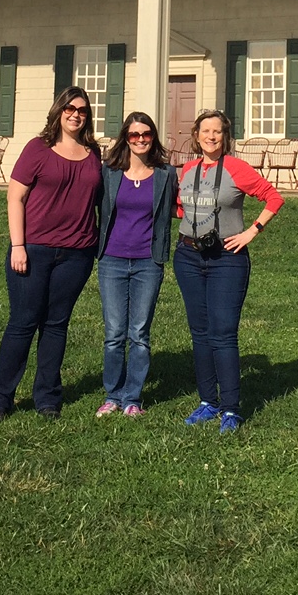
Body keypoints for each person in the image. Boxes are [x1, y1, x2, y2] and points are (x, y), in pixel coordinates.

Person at [0, 87, 103, 421]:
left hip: (77, 253)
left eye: (82, 110)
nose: (76, 114)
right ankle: (0, 397)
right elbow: (15, 198)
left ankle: (47, 397)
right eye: (70, 108)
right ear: (58, 111)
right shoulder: (38, 148)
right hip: (33, 249)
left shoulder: (93, 153)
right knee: (22, 323)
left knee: (56, 326)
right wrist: (18, 245)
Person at [173, 109, 284, 433]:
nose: (211, 136)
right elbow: (183, 206)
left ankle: (231, 409)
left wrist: (252, 231)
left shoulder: (237, 169)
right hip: (189, 257)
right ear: (196, 135)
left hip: (226, 259)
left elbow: (273, 197)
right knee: (200, 333)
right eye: (205, 131)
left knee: (223, 334)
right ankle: (208, 401)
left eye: (217, 132)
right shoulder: (188, 169)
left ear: (225, 137)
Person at [95, 111, 178, 418]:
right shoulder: (110, 172)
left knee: (139, 334)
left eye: (146, 135)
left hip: (148, 262)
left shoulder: (165, 174)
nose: (140, 140)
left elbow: (176, 210)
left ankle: (133, 399)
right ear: (125, 139)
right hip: (112, 260)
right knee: (114, 333)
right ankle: (113, 396)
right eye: (134, 135)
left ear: (153, 138)